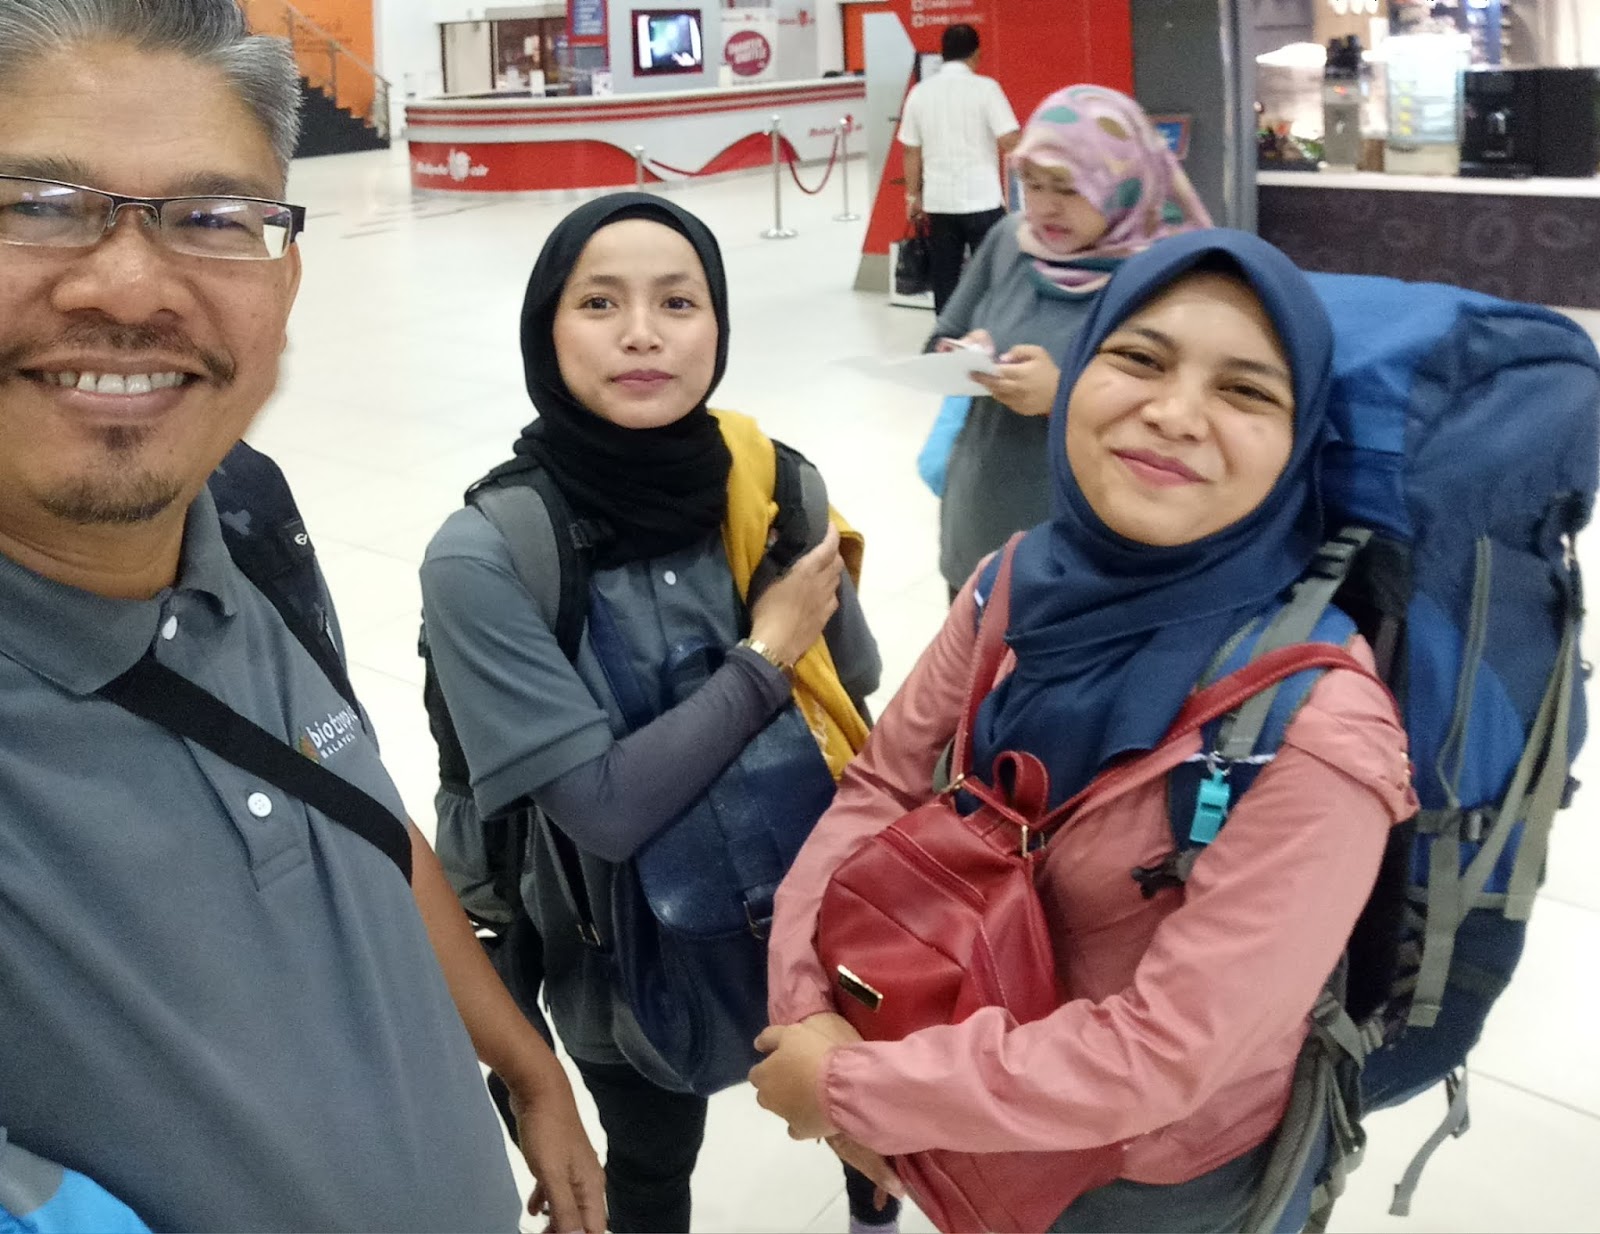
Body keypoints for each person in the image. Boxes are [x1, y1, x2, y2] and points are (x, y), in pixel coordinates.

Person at [0, 2, 603, 1231]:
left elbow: (345, 801)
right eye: (40, 206)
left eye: (212, 218)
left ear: (285, 279)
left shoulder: (243, 518)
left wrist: (521, 1059)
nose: (130, 284)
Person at [750, 230, 1420, 1232]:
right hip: (948, 1079)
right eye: (1139, 358)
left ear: (1299, 443)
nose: (1175, 412)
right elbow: (884, 785)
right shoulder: (1014, 582)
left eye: (1244, 391)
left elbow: (1164, 1055)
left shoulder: (1317, 729)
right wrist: (810, 1010)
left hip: (1148, 1182)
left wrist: (849, 1087)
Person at [420, 193, 897, 1234]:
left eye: (678, 302)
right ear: (546, 329)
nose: (642, 333)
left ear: (717, 325)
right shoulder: (488, 553)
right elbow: (603, 808)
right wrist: (765, 654)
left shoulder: (776, 483)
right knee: (650, 1160)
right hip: (619, 958)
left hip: (817, 909)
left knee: (862, 1110)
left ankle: (872, 1209)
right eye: (599, 302)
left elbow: (853, 684)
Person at [932, 83, 1213, 601]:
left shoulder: (1174, 277)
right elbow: (943, 334)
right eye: (1032, 183)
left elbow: (1187, 421)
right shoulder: (1009, 242)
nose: (1045, 207)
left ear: (1121, 183)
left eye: (1068, 188)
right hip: (981, 520)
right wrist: (960, 355)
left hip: (1091, 550)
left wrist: (1062, 396)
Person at [898, 23, 1020, 314]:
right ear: (976, 54)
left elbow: (911, 150)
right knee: (991, 276)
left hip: (940, 202)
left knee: (945, 278)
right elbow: (1009, 140)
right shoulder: (987, 89)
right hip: (983, 199)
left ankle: (946, 333)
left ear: (943, 54)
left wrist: (912, 197)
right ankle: (987, 330)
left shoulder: (920, 93)